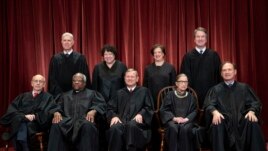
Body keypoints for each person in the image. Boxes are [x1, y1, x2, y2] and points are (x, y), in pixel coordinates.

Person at [203, 62, 266, 151]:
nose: (227, 72)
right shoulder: (215, 90)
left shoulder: (244, 88)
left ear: (235, 72)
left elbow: (255, 102)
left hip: (241, 122)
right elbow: (208, 104)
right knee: (217, 123)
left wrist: (252, 111)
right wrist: (215, 112)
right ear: (221, 73)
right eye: (224, 70)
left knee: (252, 121)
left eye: (229, 69)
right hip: (224, 123)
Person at [47, 73, 106, 151]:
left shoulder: (92, 94)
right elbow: (55, 106)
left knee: (88, 125)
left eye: (79, 81)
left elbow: (101, 104)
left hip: (84, 121)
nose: (76, 82)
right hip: (67, 122)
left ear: (84, 83)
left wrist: (93, 110)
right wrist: (56, 112)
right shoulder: (65, 95)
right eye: (74, 81)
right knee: (56, 124)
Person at [0, 74, 54, 151]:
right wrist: (23, 116)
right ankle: (24, 145)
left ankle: (23, 144)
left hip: (37, 124)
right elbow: (12, 110)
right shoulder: (22, 96)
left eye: (40, 81)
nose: (38, 83)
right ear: (32, 83)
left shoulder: (48, 97)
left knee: (21, 123)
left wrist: (35, 116)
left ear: (44, 84)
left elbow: (49, 112)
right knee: (20, 120)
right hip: (21, 121)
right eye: (36, 81)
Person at [107, 68, 154, 151]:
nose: (130, 78)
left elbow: (149, 107)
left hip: (138, 124)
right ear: (124, 78)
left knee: (131, 126)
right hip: (121, 121)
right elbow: (110, 108)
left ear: (137, 79)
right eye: (127, 77)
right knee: (115, 128)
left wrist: (141, 114)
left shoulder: (144, 91)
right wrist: (114, 116)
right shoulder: (119, 93)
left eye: (132, 77)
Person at [92, 44, 127, 151]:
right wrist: (96, 101)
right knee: (101, 126)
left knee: (115, 126)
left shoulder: (122, 66)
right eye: (105, 54)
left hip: (117, 102)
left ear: (115, 55)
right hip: (101, 101)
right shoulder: (98, 67)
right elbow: (95, 86)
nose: (107, 56)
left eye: (110, 54)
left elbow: (126, 85)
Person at [143, 44, 176, 151]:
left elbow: (174, 87)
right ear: (153, 55)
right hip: (151, 101)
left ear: (163, 54)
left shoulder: (170, 67)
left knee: (167, 124)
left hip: (166, 102)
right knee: (153, 125)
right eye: (155, 52)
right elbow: (145, 87)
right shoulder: (148, 68)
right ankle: (152, 147)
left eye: (159, 52)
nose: (157, 54)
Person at [180, 27, 221, 108]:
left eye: (203, 36)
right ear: (194, 39)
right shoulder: (188, 56)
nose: (200, 39)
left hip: (211, 94)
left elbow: (219, 75)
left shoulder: (214, 55)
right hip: (193, 94)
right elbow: (184, 77)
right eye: (198, 36)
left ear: (206, 39)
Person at [160, 73, 198, 151]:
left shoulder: (191, 96)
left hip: (187, 121)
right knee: (173, 128)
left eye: (186, 82)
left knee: (185, 128)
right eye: (181, 81)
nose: (184, 84)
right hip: (172, 121)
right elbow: (164, 110)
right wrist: (174, 118)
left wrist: (186, 119)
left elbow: (194, 111)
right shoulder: (169, 95)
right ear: (176, 83)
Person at [48, 32, 91, 98]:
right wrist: (58, 93)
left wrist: (78, 91)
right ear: (61, 42)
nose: (66, 42)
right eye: (64, 40)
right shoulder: (55, 58)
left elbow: (84, 77)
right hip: (59, 95)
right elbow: (52, 79)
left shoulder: (80, 58)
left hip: (77, 94)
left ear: (73, 42)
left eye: (69, 40)